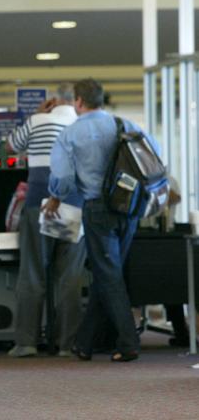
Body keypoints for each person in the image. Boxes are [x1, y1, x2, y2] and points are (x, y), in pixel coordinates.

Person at [43, 78, 160, 363]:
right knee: (107, 273)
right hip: (129, 208)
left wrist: (56, 197)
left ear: (78, 102)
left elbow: (63, 178)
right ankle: (84, 343)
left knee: (109, 274)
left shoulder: (70, 134)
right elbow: (153, 156)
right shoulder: (125, 125)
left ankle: (129, 342)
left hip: (98, 210)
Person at [6, 84, 86, 358]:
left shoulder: (38, 120)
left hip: (39, 204)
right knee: (69, 276)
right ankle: (67, 345)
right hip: (73, 205)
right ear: (76, 102)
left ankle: (26, 342)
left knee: (33, 271)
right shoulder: (80, 126)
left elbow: (10, 147)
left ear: (53, 100)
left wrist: (36, 114)